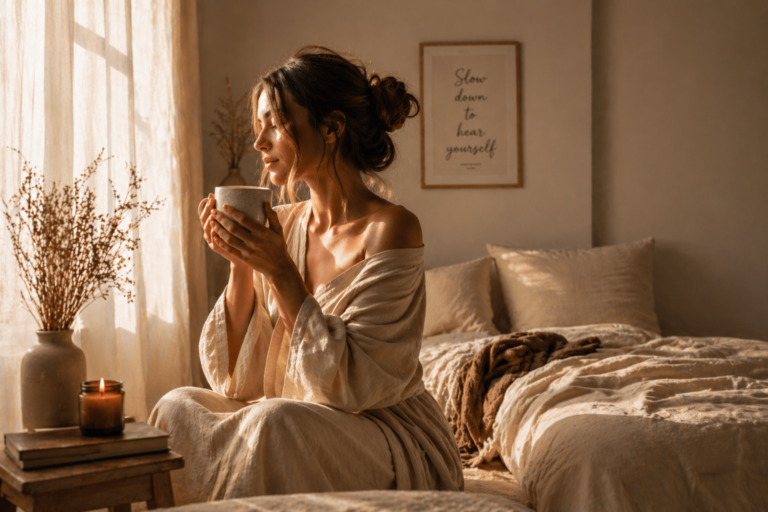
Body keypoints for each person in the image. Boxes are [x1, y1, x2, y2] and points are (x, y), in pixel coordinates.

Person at [149, 46, 463, 504]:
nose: (260, 144)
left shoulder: (391, 229)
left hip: (384, 429)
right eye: (259, 128)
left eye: (274, 125)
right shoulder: (286, 222)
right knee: (177, 407)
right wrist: (240, 261)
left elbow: (356, 385)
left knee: (274, 422)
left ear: (331, 127)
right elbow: (238, 382)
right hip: (292, 412)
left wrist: (279, 270)